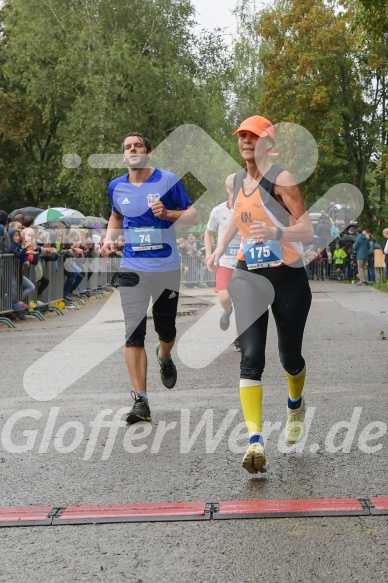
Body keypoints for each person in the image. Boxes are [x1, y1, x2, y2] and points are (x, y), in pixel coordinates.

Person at [207, 115, 314, 474]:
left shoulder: (282, 179)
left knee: (289, 357)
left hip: (287, 277)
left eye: (254, 136)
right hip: (247, 274)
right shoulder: (234, 180)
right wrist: (219, 249)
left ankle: (295, 402)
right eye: (242, 137)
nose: (246, 142)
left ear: (268, 143)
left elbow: (307, 229)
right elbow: (238, 218)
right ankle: (255, 440)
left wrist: (277, 233)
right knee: (251, 357)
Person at [101, 132, 197, 424]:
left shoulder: (167, 180)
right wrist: (109, 239)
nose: (132, 150)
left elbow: (193, 215)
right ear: (124, 155)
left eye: (137, 145)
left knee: (166, 328)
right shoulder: (116, 186)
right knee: (133, 333)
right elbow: (116, 216)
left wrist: (168, 214)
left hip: (166, 267)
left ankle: (165, 356)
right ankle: (140, 400)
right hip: (132, 267)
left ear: (148, 152)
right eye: (127, 147)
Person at [204, 176, 242, 350]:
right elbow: (208, 232)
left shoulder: (250, 209)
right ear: (228, 190)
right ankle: (227, 311)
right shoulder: (218, 211)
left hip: (244, 261)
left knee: (242, 300)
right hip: (225, 261)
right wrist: (210, 253)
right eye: (232, 190)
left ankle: (238, 337)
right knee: (225, 297)